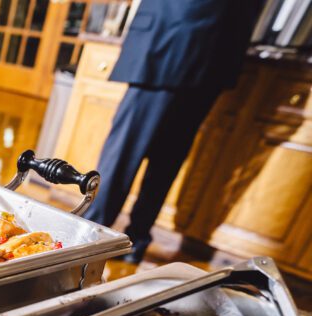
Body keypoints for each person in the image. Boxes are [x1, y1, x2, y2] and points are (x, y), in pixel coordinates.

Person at [82, 0, 264, 263]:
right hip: (217, 46)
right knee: (166, 159)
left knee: (124, 154)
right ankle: (134, 241)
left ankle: (93, 237)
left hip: (170, 39)